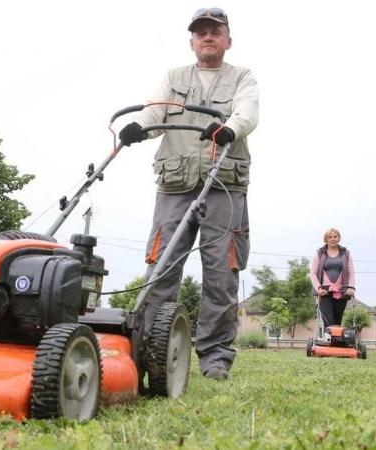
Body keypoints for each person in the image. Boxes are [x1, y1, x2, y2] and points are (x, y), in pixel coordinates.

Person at [117, 7, 259, 381]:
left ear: (228, 39)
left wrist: (230, 128)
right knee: (160, 268)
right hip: (175, 185)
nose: (207, 37)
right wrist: (138, 128)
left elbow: (248, 113)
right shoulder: (174, 77)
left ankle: (215, 360)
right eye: (200, 32)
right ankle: (147, 353)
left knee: (221, 276)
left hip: (224, 186)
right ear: (192, 40)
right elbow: (154, 114)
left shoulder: (243, 77)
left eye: (215, 31)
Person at [309, 228, 357, 327]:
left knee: (337, 322)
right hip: (325, 292)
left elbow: (351, 273)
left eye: (335, 236)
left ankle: (336, 342)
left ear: (339, 238)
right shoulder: (320, 253)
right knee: (328, 321)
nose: (333, 239)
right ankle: (329, 340)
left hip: (341, 292)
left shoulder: (345, 254)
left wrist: (351, 288)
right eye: (330, 237)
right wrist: (319, 288)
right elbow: (313, 273)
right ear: (326, 239)